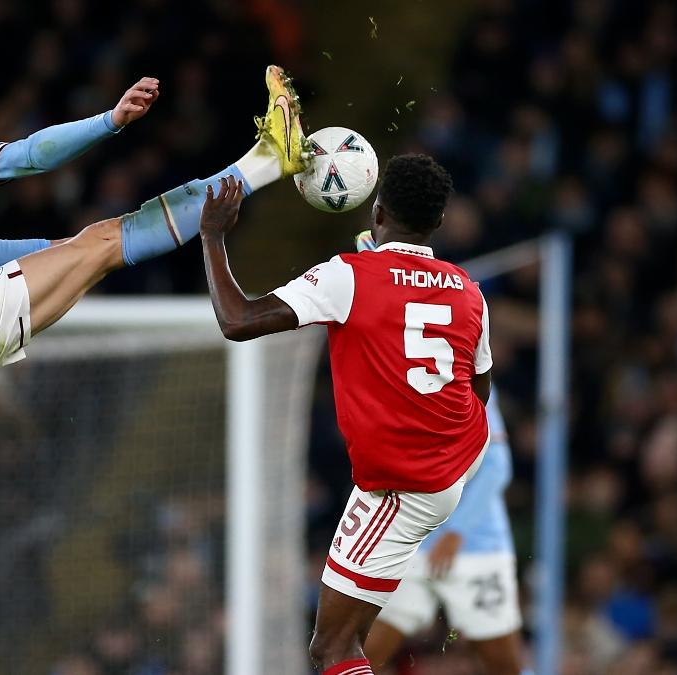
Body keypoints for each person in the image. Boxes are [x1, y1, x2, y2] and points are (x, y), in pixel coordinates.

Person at [0, 50, 310, 675]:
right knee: (107, 242)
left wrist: (52, 253)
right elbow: (27, 158)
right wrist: (110, 120)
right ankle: (267, 162)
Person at [196, 154, 491, 675]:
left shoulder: (347, 276)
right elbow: (479, 389)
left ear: (376, 212)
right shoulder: (470, 292)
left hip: (404, 486)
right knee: (349, 640)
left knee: (329, 649)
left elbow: (237, 320)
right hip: (457, 456)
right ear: (439, 223)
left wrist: (214, 237)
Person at [364, 391, 526, 674]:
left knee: (503, 664)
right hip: (410, 544)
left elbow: (496, 465)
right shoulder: (389, 378)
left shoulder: (467, 379)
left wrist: (456, 531)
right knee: (364, 657)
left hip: (474, 548)